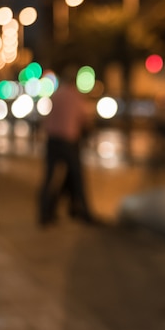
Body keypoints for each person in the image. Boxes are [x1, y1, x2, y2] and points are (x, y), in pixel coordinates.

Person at [38, 65, 96, 225]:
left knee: (49, 177)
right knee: (77, 177)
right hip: (69, 141)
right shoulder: (76, 97)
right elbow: (85, 120)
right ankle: (82, 209)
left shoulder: (56, 95)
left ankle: (45, 213)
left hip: (52, 140)